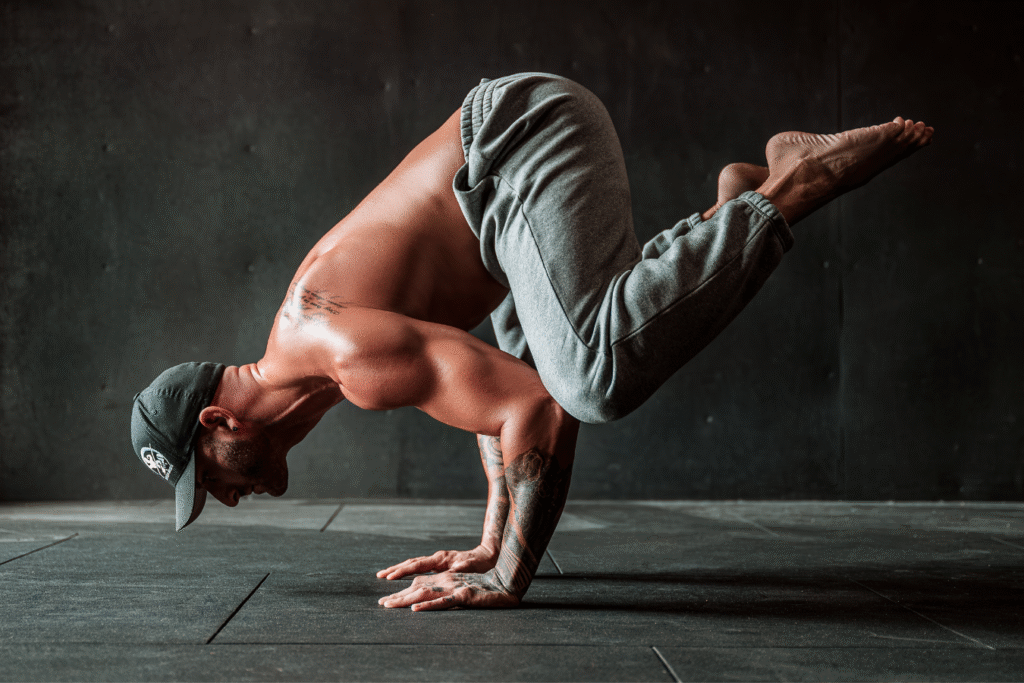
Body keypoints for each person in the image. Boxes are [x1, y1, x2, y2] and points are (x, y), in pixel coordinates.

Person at [130, 72, 933, 611]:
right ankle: (735, 210)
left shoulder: (334, 352)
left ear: (217, 423)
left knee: (588, 379)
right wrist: (487, 544)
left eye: (208, 482)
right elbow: (498, 393)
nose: (224, 499)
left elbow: (537, 412)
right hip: (503, 208)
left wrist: (511, 577)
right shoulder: (318, 360)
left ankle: (788, 188)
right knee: (562, 363)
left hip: (516, 142)